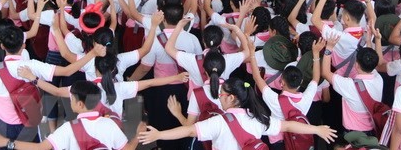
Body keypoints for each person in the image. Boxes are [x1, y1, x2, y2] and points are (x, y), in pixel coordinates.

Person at [137, 77, 338, 148]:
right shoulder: (257, 118)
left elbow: (189, 131)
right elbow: (286, 125)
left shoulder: (219, 122)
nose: (220, 97)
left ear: (232, 97)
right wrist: (316, 129)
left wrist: (159, 134)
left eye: (222, 94)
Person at [0, 80, 145, 150]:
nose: (69, 101)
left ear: (80, 104)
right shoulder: (109, 124)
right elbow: (127, 148)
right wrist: (137, 136)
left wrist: (7, 142)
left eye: (72, 98)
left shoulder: (69, 128)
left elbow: (41, 147)